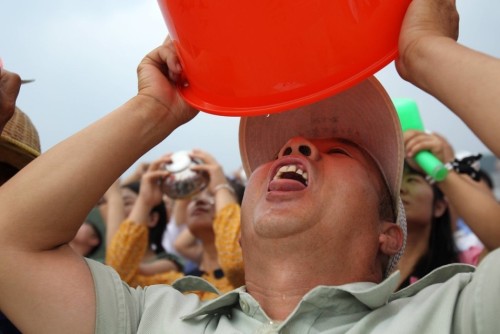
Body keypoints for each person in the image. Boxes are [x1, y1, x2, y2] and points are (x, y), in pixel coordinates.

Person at [1, 1, 500, 333]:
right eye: (280, 149)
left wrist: (427, 53)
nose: (297, 145)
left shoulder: (460, 314)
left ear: (388, 234)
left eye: (343, 149)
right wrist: (155, 109)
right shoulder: (146, 319)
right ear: (237, 232)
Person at [105, 149, 243, 299]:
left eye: (213, 195)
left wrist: (221, 188)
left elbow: (235, 262)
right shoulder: (177, 287)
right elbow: (116, 277)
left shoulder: (253, 278)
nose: (199, 200)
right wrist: (145, 201)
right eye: (193, 197)